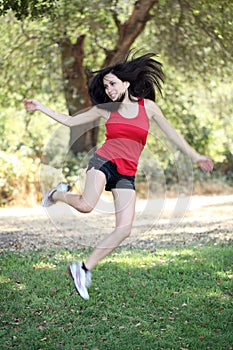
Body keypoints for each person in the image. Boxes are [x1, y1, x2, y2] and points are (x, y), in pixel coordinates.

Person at [23, 52, 214, 300]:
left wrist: (196, 156)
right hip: (104, 161)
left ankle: (83, 269)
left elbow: (172, 134)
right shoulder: (105, 109)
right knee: (86, 205)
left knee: (124, 228)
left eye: (112, 84)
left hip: (127, 171)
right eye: (105, 85)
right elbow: (71, 121)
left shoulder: (149, 108)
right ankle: (56, 194)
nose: (109, 89)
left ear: (126, 83)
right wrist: (40, 107)